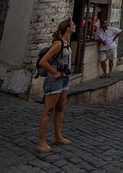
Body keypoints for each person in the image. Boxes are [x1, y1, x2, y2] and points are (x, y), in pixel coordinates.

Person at [37, 19, 75, 153]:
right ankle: (42, 142)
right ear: (67, 28)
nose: (74, 27)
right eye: (72, 25)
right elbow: (43, 62)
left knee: (60, 108)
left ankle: (58, 136)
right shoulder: (58, 44)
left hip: (65, 78)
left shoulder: (67, 43)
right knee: (48, 110)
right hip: (54, 80)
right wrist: (54, 72)